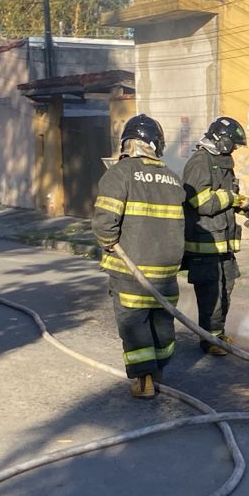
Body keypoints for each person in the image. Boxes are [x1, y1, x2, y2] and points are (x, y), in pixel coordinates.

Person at [92, 115, 186, 399]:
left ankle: (143, 380)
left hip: (131, 269)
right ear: (156, 144)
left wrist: (108, 241)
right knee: (162, 321)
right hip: (166, 270)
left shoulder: (120, 173)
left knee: (134, 323)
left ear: (128, 142)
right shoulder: (172, 177)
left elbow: (105, 222)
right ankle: (158, 371)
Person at [181, 116, 249, 356]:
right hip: (205, 243)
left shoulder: (221, 162)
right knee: (211, 292)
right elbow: (199, 201)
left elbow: (226, 196)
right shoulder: (200, 162)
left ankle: (217, 334)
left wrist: (242, 204)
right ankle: (208, 339)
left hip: (223, 245)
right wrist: (231, 198)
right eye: (234, 144)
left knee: (225, 288)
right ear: (221, 140)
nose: (235, 149)